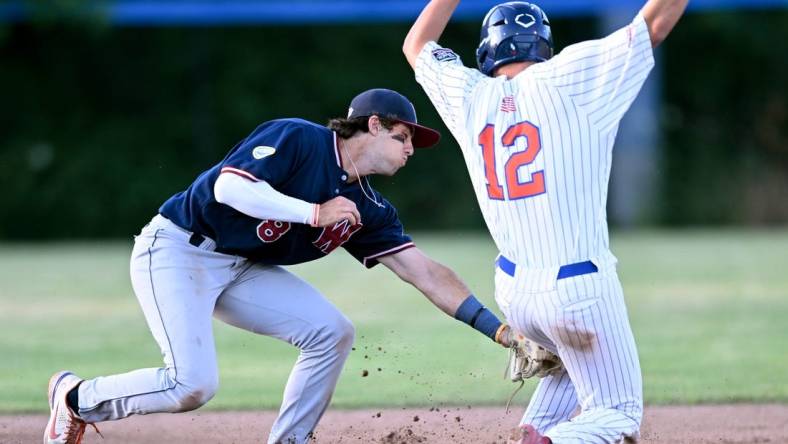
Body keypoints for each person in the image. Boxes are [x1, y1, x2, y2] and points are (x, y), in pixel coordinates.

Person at [44, 88, 520, 444]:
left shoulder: (369, 208)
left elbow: (426, 272)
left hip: (240, 267)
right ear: (372, 125)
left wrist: (500, 333)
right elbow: (229, 188)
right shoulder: (299, 138)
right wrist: (314, 213)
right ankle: (76, 398)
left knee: (332, 331)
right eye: (403, 137)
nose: (411, 149)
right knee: (192, 385)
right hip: (178, 250)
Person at [403, 1, 687, 443]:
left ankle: (536, 429)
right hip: (580, 289)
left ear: (486, 52)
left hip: (517, 295)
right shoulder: (570, 76)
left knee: (572, 368)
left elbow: (417, 45)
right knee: (618, 414)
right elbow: (652, 24)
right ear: (544, 47)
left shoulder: (468, 94)